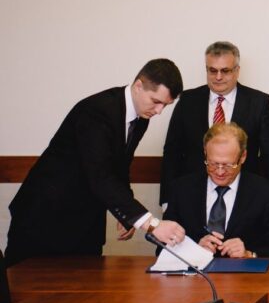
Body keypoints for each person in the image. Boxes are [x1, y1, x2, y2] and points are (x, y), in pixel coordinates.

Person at [5, 59, 187, 266]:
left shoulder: (141, 117)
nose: (159, 111)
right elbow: (100, 176)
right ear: (138, 86)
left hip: (85, 221)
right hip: (44, 217)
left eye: (165, 105)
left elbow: (119, 167)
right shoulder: (97, 111)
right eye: (156, 101)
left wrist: (127, 214)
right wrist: (150, 224)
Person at [161, 41, 269, 207]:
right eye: (212, 70)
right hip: (193, 196)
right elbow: (171, 153)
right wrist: (167, 200)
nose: (218, 77)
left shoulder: (258, 102)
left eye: (225, 71)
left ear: (237, 71)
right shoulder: (188, 100)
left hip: (244, 198)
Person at [164, 122, 269, 258]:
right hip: (194, 271)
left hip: (243, 271)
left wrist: (249, 254)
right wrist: (193, 249)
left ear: (243, 157)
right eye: (213, 163)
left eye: (228, 165)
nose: (220, 172)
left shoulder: (264, 192)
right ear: (205, 153)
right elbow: (162, 247)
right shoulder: (181, 189)